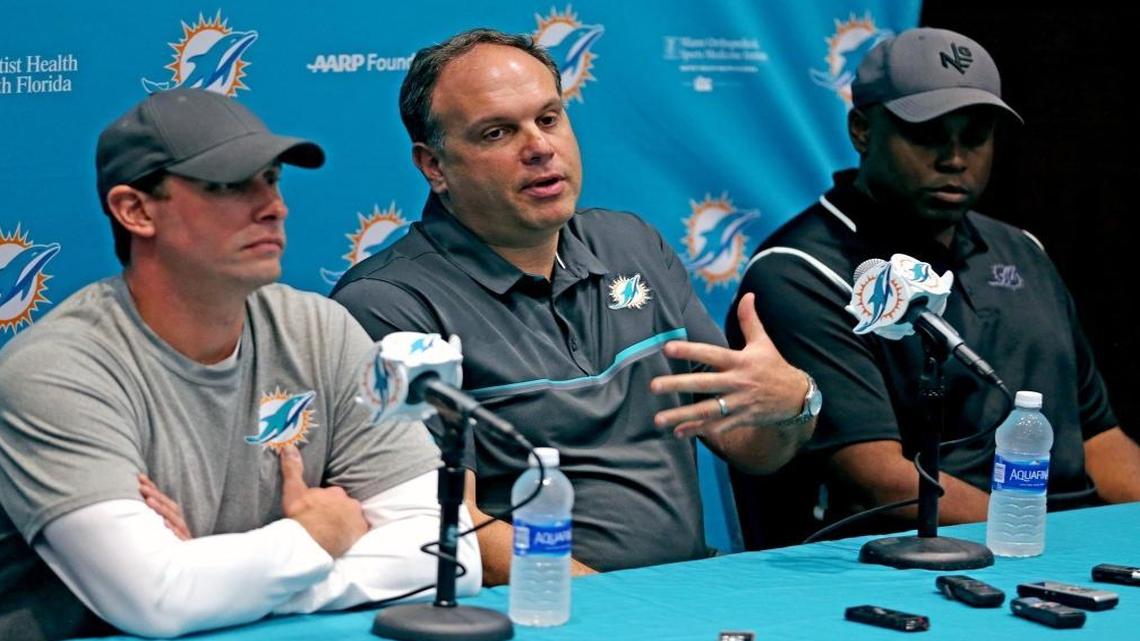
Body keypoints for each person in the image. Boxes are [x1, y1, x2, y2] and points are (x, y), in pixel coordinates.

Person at [330, 28, 817, 583]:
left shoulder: (633, 245)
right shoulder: (389, 306)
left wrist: (792, 402)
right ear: (434, 166)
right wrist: (614, 608)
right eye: (497, 132)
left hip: (686, 591)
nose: (539, 147)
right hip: (542, 611)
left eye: (548, 118)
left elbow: (753, 448)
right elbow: (448, 520)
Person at [0, 88, 479, 641]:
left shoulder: (318, 329)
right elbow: (154, 602)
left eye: (272, 179)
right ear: (135, 210)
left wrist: (222, 575)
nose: (274, 206)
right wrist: (316, 536)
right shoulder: (57, 370)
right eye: (229, 185)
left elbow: (447, 555)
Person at [727, 28, 1140, 548]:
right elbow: (878, 480)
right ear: (861, 130)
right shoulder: (800, 270)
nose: (954, 158)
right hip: (910, 558)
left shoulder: (1024, 252)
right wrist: (1045, 541)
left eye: (975, 135)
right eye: (927, 135)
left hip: (1058, 546)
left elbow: (1100, 440)